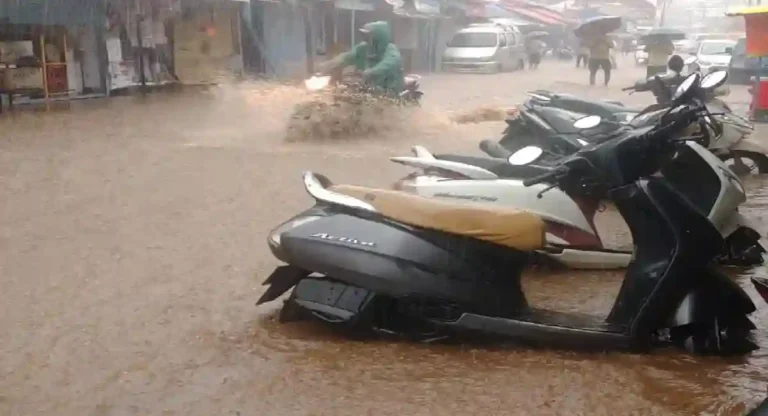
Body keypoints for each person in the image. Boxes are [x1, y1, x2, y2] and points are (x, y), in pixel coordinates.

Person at [317, 21, 404, 95]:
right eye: (364, 36)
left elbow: (389, 63)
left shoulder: (390, 49)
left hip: (389, 88)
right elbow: (347, 57)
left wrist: (370, 72)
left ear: (378, 37)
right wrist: (327, 66)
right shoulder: (363, 48)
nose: (366, 39)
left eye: (369, 36)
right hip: (370, 86)